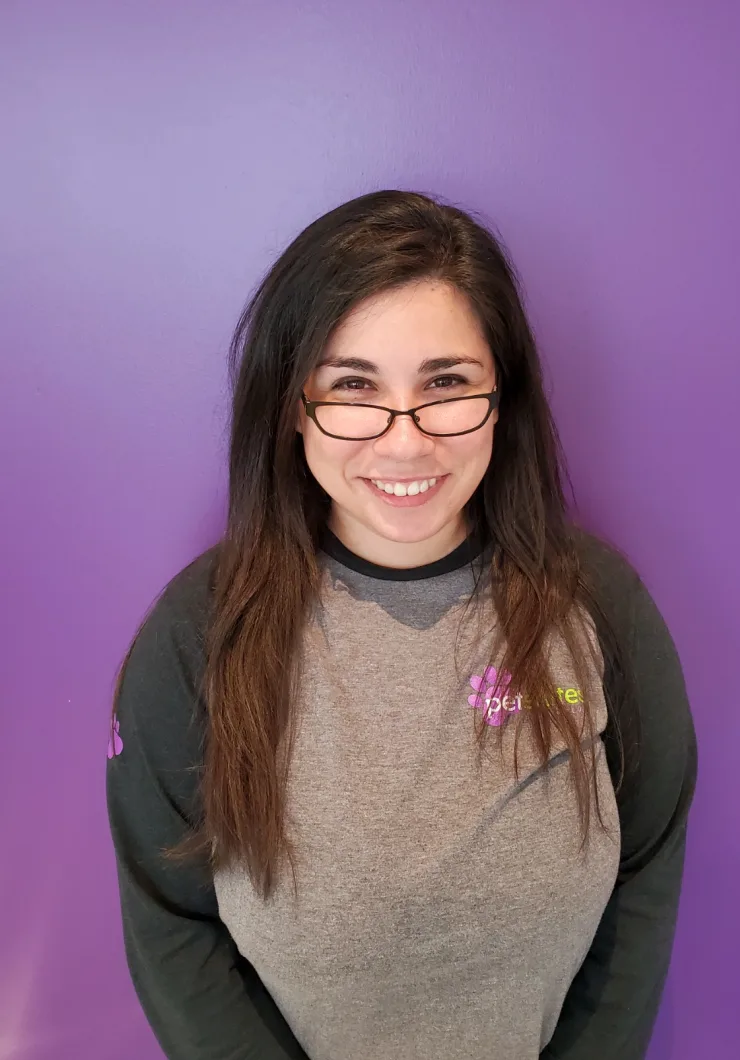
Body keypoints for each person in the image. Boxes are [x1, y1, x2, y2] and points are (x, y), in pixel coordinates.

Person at [106, 189, 697, 1060]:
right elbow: (172, 930)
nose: (405, 443)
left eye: (447, 384)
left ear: (504, 397)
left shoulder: (601, 605)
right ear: (292, 406)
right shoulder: (199, 631)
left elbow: (643, 881)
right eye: (353, 386)